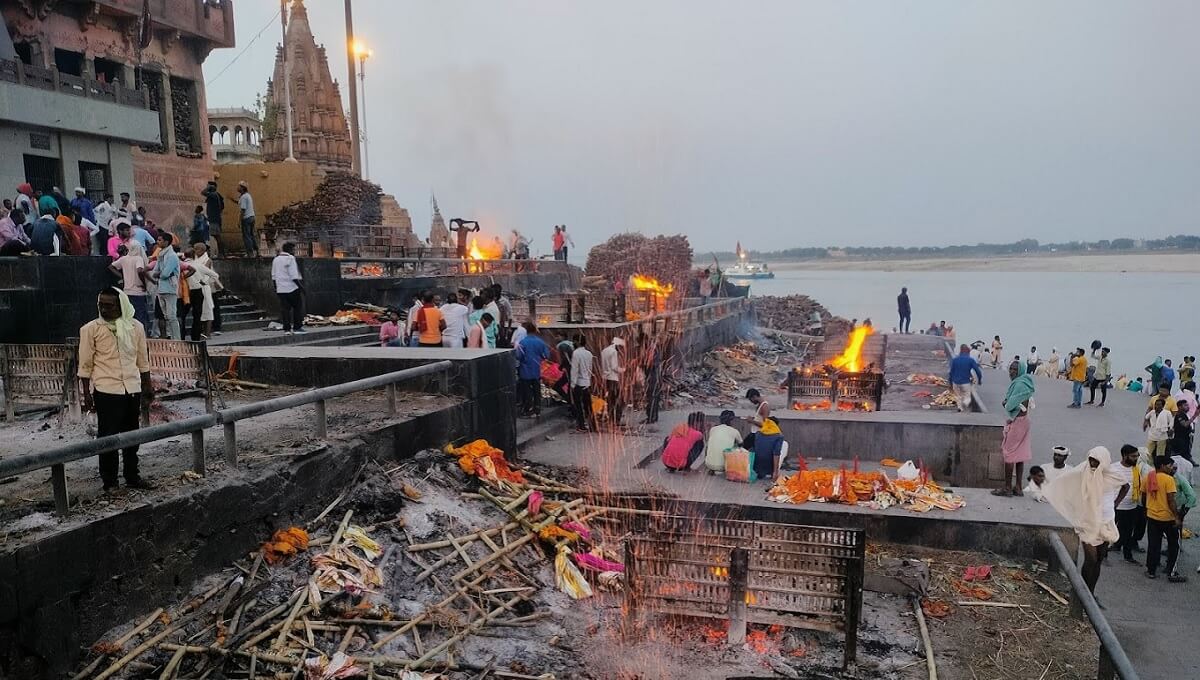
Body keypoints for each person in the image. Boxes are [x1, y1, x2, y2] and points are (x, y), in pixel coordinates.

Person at [78, 288, 154, 491]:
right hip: (106, 390)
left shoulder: (135, 327)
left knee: (132, 436)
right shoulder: (90, 329)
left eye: (109, 305)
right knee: (108, 438)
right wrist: (86, 394)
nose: (103, 309)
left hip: (131, 388)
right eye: (101, 304)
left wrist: (147, 386)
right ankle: (110, 482)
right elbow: (85, 365)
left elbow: (142, 360)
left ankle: (132, 477)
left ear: (120, 305)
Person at [1044, 446, 1125, 593]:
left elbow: (1125, 485)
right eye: (1091, 460)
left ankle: (1091, 593)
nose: (1093, 464)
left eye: (1096, 461)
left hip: (1106, 521)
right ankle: (1081, 593)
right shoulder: (1083, 471)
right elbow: (1065, 482)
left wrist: (1116, 503)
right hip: (1087, 522)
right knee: (1091, 559)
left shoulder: (1111, 474)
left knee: (1099, 559)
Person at [995, 361, 1035, 496]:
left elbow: (1009, 405)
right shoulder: (1027, 382)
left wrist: (1005, 403)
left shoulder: (1018, 384)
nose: (1011, 371)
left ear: (1020, 370)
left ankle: (1007, 488)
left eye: (1014, 369)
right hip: (1025, 420)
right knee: (1020, 455)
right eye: (1010, 368)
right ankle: (1018, 487)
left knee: (1009, 454)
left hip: (1018, 422)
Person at [1144, 456, 1186, 581]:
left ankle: (1151, 571)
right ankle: (1171, 572)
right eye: (1169, 465)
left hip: (1152, 516)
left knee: (1154, 545)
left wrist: (1147, 510)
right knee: (1174, 545)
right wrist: (1177, 517)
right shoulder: (1169, 479)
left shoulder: (1149, 477)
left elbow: (1143, 495)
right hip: (1168, 518)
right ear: (1162, 466)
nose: (1171, 467)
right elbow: (1171, 500)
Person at [108, 240, 149, 331]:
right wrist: (144, 284)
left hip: (126, 292)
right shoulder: (138, 258)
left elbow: (111, 267)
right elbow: (139, 271)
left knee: (129, 316)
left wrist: (122, 276)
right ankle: (140, 336)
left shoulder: (124, 259)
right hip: (138, 292)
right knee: (140, 317)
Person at [1111, 445, 1140, 563]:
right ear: (1124, 456)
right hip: (1116, 506)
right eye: (1133, 456)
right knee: (1109, 530)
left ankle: (1127, 556)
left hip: (1131, 506)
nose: (1136, 458)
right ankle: (1103, 555)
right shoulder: (1113, 468)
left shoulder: (1136, 469)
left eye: (1137, 456)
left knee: (1128, 532)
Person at [271, 242, 305, 334]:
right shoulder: (290, 258)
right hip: (292, 288)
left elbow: (273, 276)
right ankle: (297, 327)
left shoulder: (276, 259)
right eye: (294, 249)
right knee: (297, 308)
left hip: (281, 289)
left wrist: (276, 288)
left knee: (285, 310)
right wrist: (301, 287)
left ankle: (287, 329)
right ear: (290, 250)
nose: (294, 251)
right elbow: (294, 276)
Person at [517, 322, 550, 416]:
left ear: (526, 331)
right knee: (536, 390)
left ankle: (528, 409)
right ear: (535, 331)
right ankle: (537, 409)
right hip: (536, 370)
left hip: (525, 371)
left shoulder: (523, 342)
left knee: (527, 391)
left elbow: (518, 356)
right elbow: (546, 355)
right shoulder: (540, 342)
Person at [704, 410, 743, 475]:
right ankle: (724, 466)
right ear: (732, 421)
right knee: (737, 447)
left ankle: (713, 466)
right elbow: (741, 444)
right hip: (725, 466)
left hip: (708, 464)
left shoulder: (713, 429)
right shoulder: (735, 431)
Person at [570, 335, 595, 432]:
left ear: (577, 342)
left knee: (578, 406)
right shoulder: (589, 353)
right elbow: (590, 368)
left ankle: (581, 425)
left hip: (578, 383)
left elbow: (574, 369)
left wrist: (572, 384)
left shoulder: (576, 353)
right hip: (587, 383)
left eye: (574, 341)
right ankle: (592, 424)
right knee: (588, 405)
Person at [949, 344, 983, 412]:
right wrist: (979, 380)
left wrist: (950, 381)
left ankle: (960, 407)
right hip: (965, 382)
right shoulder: (970, 360)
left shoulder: (955, 360)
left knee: (958, 396)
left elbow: (951, 372)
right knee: (967, 396)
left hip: (955, 382)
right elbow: (978, 371)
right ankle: (965, 403)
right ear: (968, 351)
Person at [601, 337, 625, 427]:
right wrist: (623, 370)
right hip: (613, 379)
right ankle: (616, 421)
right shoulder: (613, 352)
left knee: (610, 400)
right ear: (617, 345)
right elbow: (614, 367)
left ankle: (611, 420)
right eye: (621, 348)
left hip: (606, 378)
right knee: (618, 400)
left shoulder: (604, 351)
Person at [201, 181, 224, 254]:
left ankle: (221, 253)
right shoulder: (217, 195)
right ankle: (221, 252)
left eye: (208, 186)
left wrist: (208, 187)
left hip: (214, 218)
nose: (207, 187)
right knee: (216, 235)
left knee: (217, 236)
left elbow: (203, 192)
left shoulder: (214, 195)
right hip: (215, 218)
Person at [237, 181, 257, 256]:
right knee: (251, 235)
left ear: (242, 188)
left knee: (246, 236)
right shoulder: (247, 195)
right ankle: (256, 251)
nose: (237, 187)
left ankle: (250, 253)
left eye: (239, 186)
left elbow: (243, 210)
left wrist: (239, 221)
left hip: (246, 218)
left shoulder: (244, 197)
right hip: (252, 217)